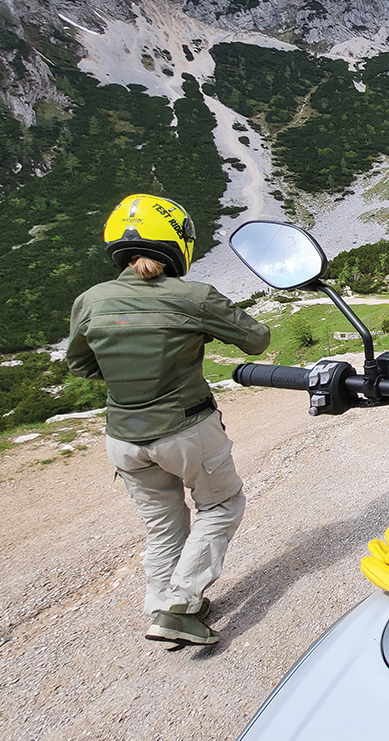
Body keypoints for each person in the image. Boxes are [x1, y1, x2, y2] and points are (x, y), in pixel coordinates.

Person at [67, 194, 271, 646]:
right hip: (186, 429)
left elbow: (79, 364)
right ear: (178, 242)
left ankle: (164, 606)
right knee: (222, 506)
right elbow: (257, 339)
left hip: (123, 440)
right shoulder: (193, 296)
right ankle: (180, 606)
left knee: (163, 524)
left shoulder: (90, 300)